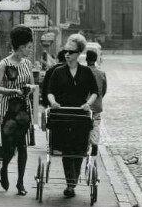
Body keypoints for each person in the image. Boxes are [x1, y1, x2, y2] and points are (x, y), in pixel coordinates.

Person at [47, 34, 98, 198]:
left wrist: (88, 104)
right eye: (66, 51)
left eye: (71, 52)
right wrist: (53, 102)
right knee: (67, 150)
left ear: (79, 53)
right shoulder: (58, 72)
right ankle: (70, 184)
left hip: (80, 116)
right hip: (63, 114)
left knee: (80, 150)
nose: (67, 54)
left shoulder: (86, 72)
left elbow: (95, 92)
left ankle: (72, 181)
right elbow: (49, 92)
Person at [0, 25, 36, 196]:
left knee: (23, 146)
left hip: (24, 111)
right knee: (9, 148)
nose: (30, 49)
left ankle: (20, 183)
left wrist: (29, 88)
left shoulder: (27, 63)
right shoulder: (4, 64)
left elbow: (34, 85)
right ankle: (4, 169)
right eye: (29, 46)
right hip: (8, 111)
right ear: (21, 47)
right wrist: (13, 91)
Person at [86, 50, 107, 156]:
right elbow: (104, 90)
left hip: (84, 104)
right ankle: (94, 143)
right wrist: (98, 98)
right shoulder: (101, 73)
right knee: (95, 124)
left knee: (84, 124)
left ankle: (85, 145)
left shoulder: (83, 72)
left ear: (86, 59)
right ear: (95, 60)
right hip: (97, 104)